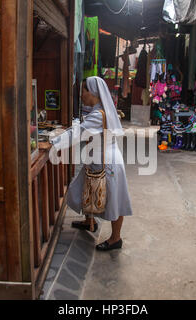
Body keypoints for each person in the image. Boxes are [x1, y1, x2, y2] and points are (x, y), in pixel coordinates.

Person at [50, 76, 133, 251]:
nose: (81, 95)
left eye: (83, 91)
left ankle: (115, 239)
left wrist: (53, 142)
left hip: (107, 162)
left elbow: (77, 133)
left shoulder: (97, 114)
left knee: (114, 200)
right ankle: (90, 222)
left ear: (93, 92)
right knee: (84, 187)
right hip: (98, 158)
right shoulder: (100, 110)